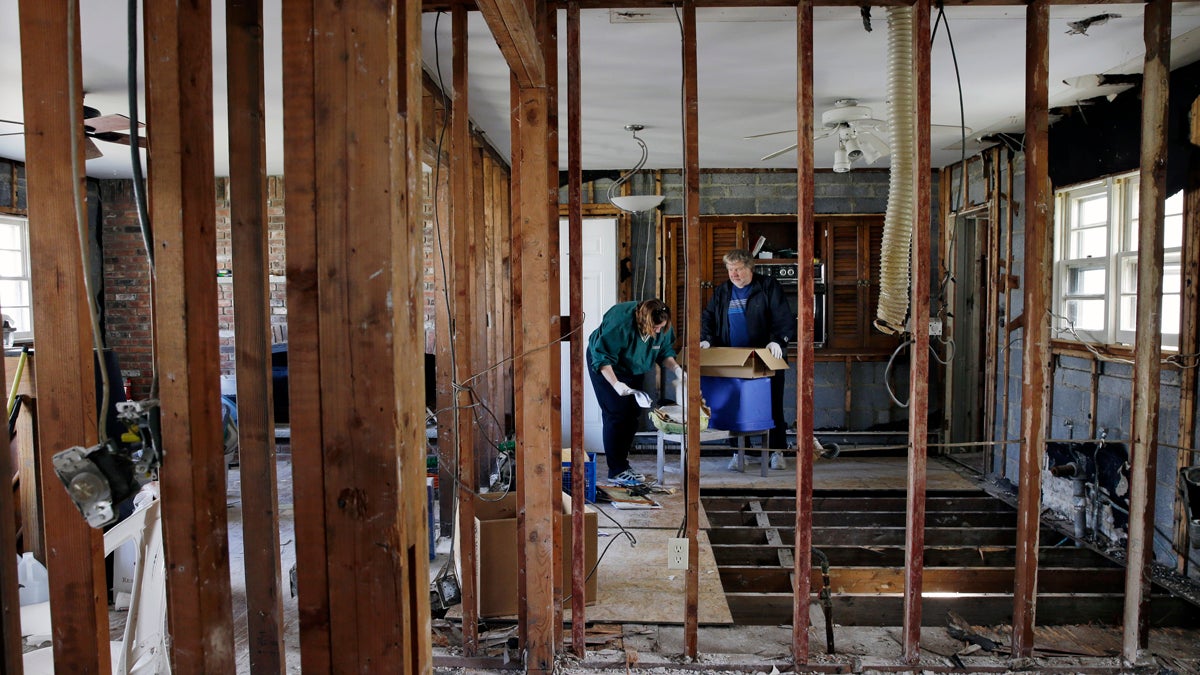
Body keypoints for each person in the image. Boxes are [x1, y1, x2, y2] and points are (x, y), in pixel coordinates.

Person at [700, 248, 795, 470]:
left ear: (750, 268)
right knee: (735, 408)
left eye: (738, 269)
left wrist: (777, 340)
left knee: (771, 406)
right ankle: (738, 452)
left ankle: (776, 452)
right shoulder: (723, 291)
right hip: (733, 359)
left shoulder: (768, 286)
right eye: (730, 270)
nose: (733, 274)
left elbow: (783, 316)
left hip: (765, 358)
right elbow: (709, 317)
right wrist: (706, 339)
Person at [587, 298, 683, 486]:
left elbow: (664, 353)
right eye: (654, 328)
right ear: (643, 321)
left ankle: (623, 465)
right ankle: (616, 470)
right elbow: (602, 356)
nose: (658, 331)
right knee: (616, 413)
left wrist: (678, 370)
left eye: (661, 328)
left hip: (634, 365)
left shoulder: (662, 324)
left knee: (633, 413)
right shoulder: (620, 322)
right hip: (606, 365)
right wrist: (616, 384)